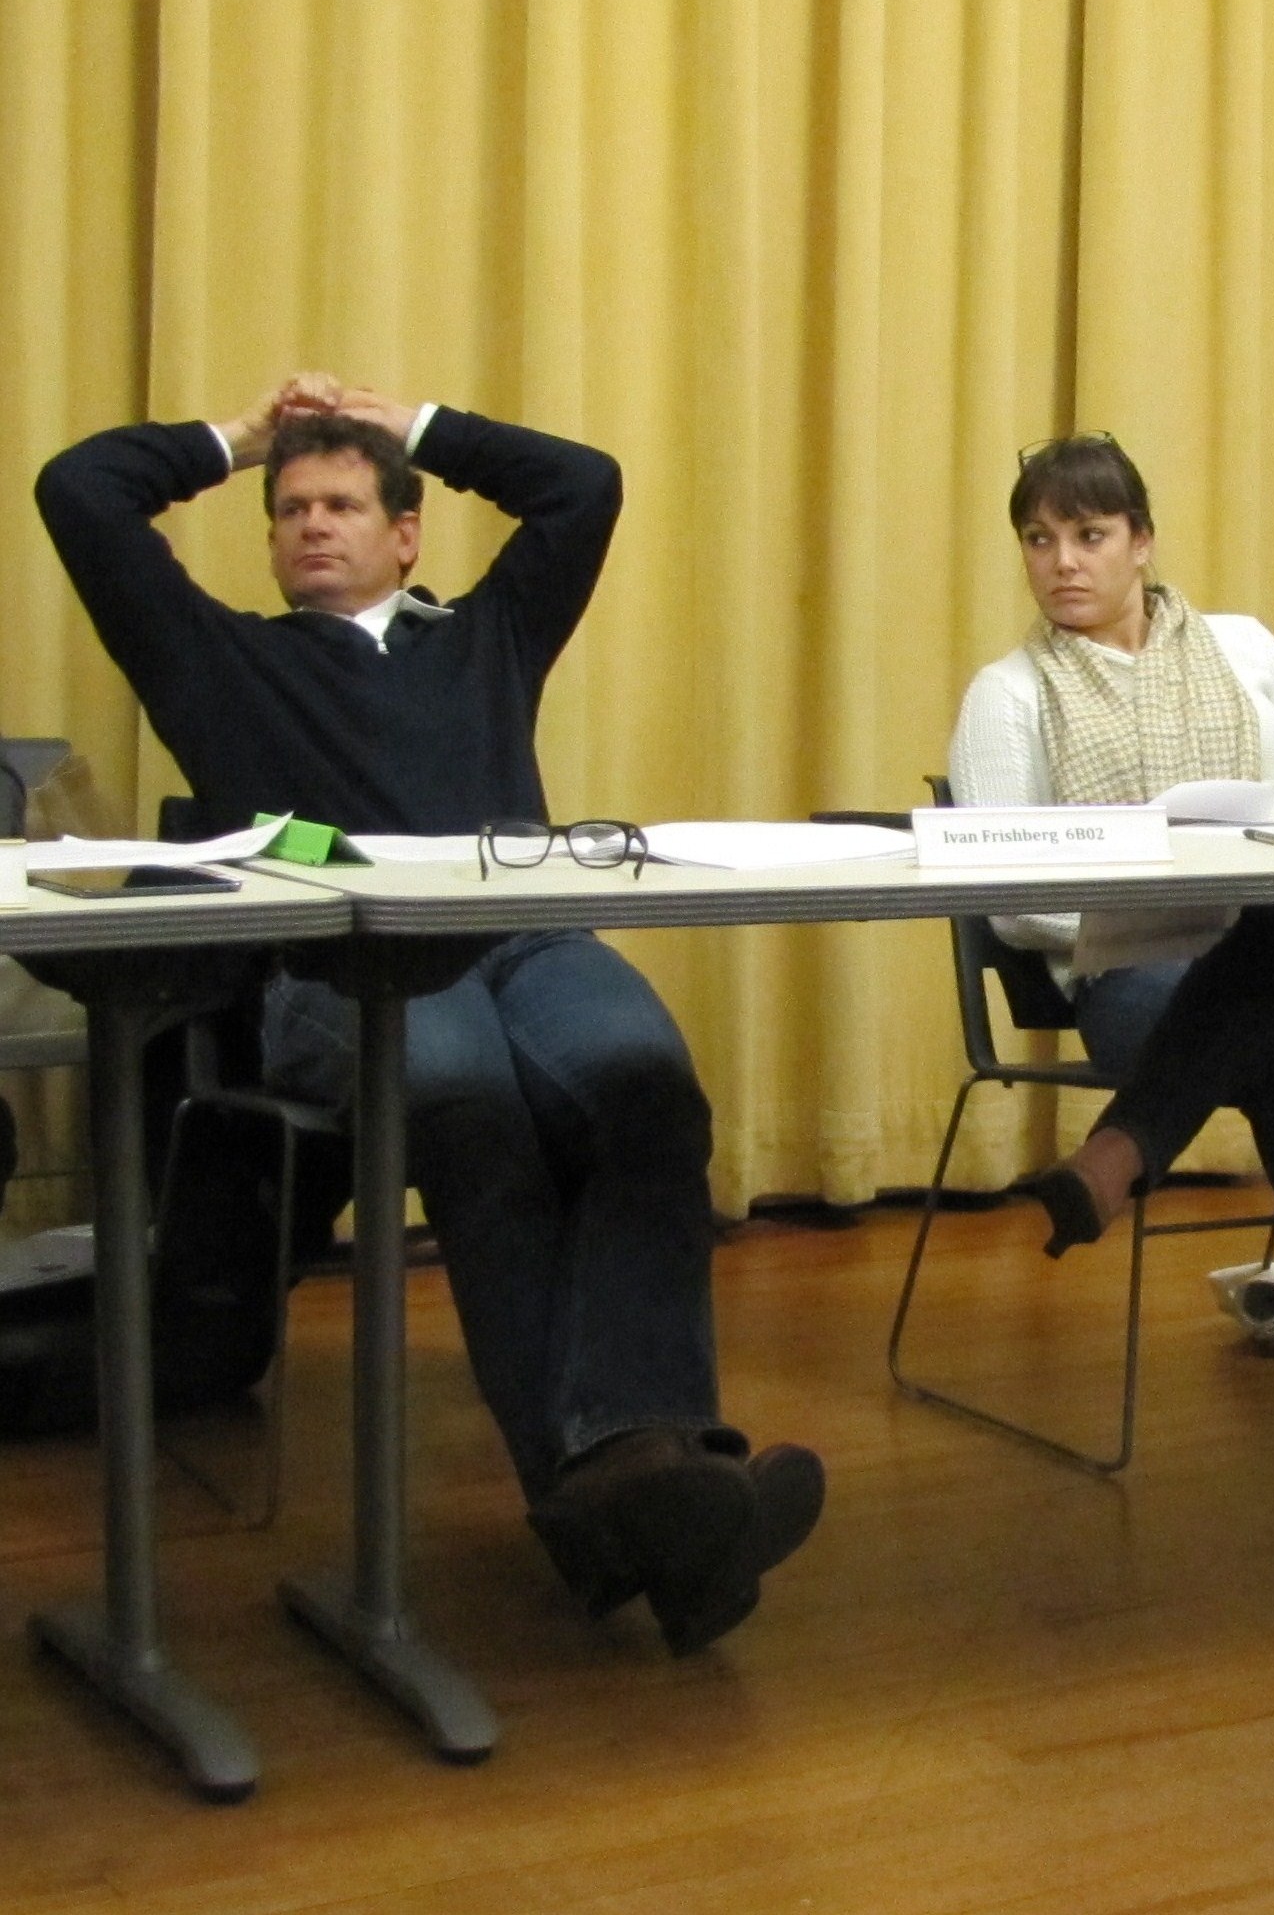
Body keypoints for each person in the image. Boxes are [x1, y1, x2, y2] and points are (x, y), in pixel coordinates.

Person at [35, 374, 822, 1655]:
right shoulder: (220, 660)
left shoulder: (487, 635)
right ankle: (645, 1486)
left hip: (528, 942)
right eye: (290, 508)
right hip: (348, 969)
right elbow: (80, 491)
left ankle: (634, 1485)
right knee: (467, 1105)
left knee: (644, 1085)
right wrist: (243, 439)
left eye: (343, 503)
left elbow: (583, 486)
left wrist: (409, 424)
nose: (311, 523)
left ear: (406, 534)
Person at [948, 434, 1274, 1425]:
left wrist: (1271, 871)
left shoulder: (1245, 647)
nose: (1062, 562)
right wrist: (1146, 906)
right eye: (1038, 539)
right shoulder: (1007, 695)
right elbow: (1008, 898)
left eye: (1089, 534)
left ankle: (1121, 1148)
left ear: (1141, 541)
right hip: (1138, 976)